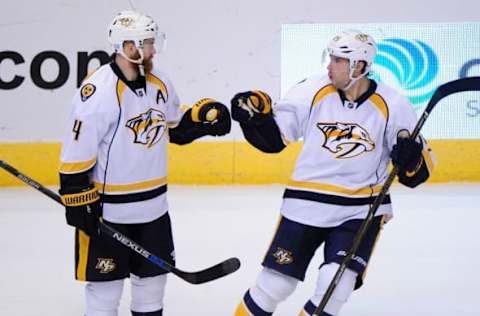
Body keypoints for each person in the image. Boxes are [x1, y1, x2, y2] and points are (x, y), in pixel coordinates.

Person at [231, 29, 435, 316]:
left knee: (335, 286)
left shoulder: (395, 105)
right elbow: (273, 141)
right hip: (305, 205)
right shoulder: (311, 90)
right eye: (331, 58)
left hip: (360, 211)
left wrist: (410, 159)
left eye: (338, 60)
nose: (330, 66)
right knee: (274, 285)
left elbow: (416, 173)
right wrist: (254, 121)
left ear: (359, 66)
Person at [58, 10, 230, 316]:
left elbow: (173, 126)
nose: (153, 49)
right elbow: (76, 149)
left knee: (152, 289)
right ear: (127, 46)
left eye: (152, 42)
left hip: (154, 210)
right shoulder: (98, 91)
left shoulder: (159, 81)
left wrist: (203, 120)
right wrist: (75, 197)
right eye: (146, 43)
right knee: (104, 293)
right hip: (109, 212)